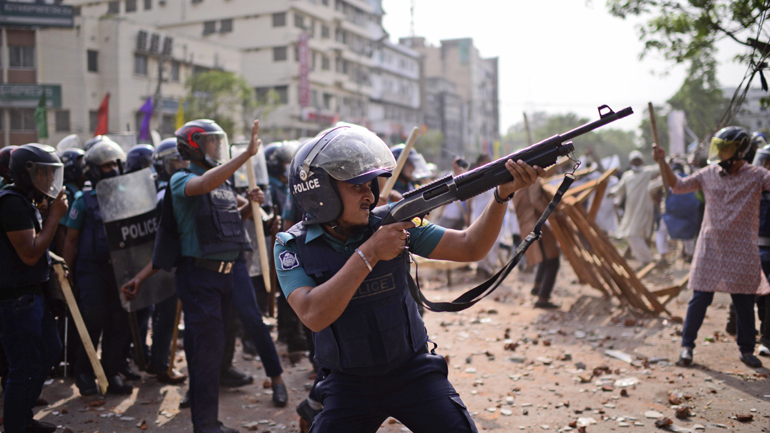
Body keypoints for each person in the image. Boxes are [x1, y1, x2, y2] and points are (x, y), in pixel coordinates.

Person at [275, 124, 544, 432]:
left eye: (370, 185)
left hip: (413, 371)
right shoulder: (291, 245)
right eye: (356, 187)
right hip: (347, 382)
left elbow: (471, 246)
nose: (369, 195)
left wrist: (501, 195)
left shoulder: (392, 223)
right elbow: (313, 314)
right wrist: (370, 253)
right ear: (320, 193)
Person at [164, 119, 262, 433]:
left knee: (207, 349)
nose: (217, 148)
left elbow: (234, 217)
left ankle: (203, 413)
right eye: (211, 142)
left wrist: (252, 206)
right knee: (208, 351)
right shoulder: (182, 179)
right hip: (199, 277)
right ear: (194, 146)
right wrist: (246, 155)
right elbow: (202, 185)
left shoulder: (222, 182)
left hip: (224, 276)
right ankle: (206, 425)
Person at [653, 126, 770, 368]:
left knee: (744, 302)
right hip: (711, 248)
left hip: (742, 250)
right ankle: (687, 347)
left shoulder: (758, 176)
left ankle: (746, 349)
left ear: (739, 152)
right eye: (719, 148)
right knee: (699, 299)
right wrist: (663, 162)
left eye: (725, 149)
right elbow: (677, 185)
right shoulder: (708, 173)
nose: (719, 153)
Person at [0, 143, 65, 433]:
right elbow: (29, 253)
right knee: (23, 367)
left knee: (50, 351)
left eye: (53, 173)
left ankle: (24, 419)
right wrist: (54, 216)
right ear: (27, 175)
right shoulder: (11, 203)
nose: (50, 180)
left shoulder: (26, 200)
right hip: (15, 300)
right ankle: (15, 426)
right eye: (44, 173)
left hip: (32, 295)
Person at [62, 137, 134, 395]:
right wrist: (66, 275)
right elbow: (70, 240)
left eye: (114, 164)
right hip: (91, 269)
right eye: (105, 166)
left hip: (119, 269)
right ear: (93, 170)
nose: (112, 169)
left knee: (118, 320)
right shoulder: (83, 200)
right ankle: (84, 373)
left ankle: (111, 373)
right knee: (92, 318)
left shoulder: (127, 195)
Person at [513, 175, 561, 308]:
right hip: (535, 224)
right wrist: (554, 213)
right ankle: (543, 299)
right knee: (553, 260)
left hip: (529, 224)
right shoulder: (532, 178)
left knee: (545, 258)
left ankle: (537, 288)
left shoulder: (522, 180)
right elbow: (535, 201)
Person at [609, 150, 659, 268]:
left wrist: (666, 160)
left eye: (638, 160)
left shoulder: (647, 172)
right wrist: (612, 193)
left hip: (643, 207)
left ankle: (648, 260)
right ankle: (645, 260)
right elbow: (619, 188)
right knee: (631, 235)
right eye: (634, 160)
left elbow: (660, 167)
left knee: (634, 235)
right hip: (631, 209)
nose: (636, 162)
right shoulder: (627, 176)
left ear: (641, 161)